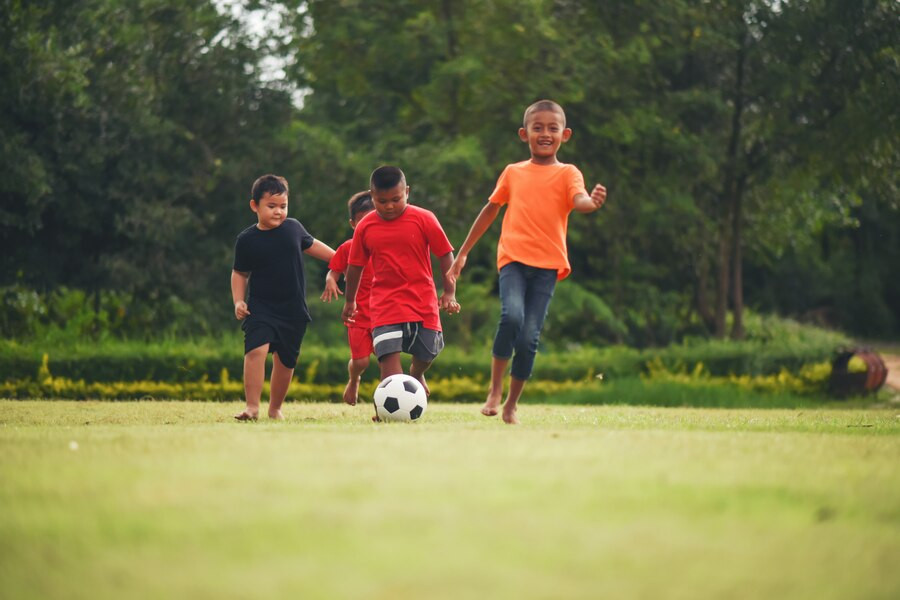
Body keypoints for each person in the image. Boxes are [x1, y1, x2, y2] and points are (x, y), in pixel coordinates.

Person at [448, 99, 607, 425]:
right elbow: (490, 209)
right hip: (514, 260)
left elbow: (579, 200)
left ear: (566, 134)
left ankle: (511, 404)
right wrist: (462, 252)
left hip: (548, 265)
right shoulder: (513, 172)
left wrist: (591, 202)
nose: (545, 133)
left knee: (529, 336)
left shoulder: (568, 173)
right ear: (524, 133)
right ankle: (494, 391)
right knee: (511, 317)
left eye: (553, 128)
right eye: (538, 128)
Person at [340, 166, 459, 418]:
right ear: (372, 196)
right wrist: (350, 301)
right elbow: (354, 267)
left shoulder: (424, 218)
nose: (390, 206)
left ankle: (416, 375)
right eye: (382, 201)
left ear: (407, 192)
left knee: (428, 351)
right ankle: (386, 410)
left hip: (422, 300)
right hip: (384, 304)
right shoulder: (365, 227)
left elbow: (445, 254)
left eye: (396, 199)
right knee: (388, 356)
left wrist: (449, 292)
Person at [231, 174, 335, 420]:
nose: (278, 212)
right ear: (254, 206)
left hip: (293, 310)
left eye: (283, 206)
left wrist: (343, 260)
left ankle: (275, 408)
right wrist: (238, 300)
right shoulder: (246, 240)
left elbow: (321, 249)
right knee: (256, 350)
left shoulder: (294, 228)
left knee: (286, 362)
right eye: (271, 206)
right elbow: (239, 273)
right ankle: (252, 407)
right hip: (261, 308)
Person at [320, 190, 376, 406]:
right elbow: (334, 269)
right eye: (363, 221)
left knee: (389, 357)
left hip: (386, 312)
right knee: (361, 361)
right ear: (353, 224)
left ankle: (406, 385)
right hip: (358, 315)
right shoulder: (348, 248)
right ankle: (354, 380)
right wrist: (331, 280)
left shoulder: (388, 245)